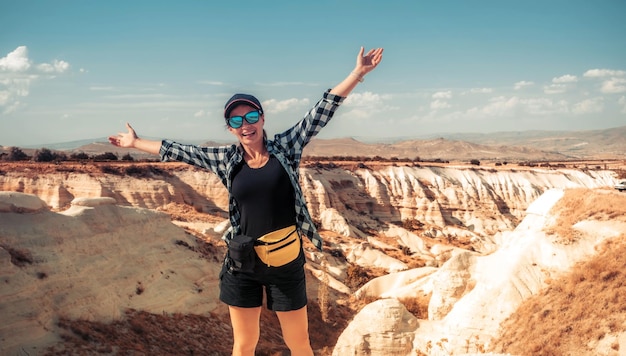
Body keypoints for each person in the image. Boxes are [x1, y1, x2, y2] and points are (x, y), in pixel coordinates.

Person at [108, 46, 383, 356]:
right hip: (243, 263)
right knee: (243, 344)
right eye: (236, 121)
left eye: (251, 116)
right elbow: (178, 150)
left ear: (262, 118)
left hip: (285, 261)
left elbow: (321, 111)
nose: (245, 124)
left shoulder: (286, 147)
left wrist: (357, 74)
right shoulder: (226, 159)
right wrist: (135, 142)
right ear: (229, 128)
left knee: (299, 343)